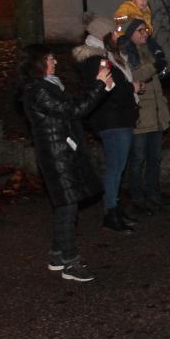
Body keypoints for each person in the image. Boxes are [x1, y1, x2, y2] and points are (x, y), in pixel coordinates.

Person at [19, 44, 113, 282]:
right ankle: (71, 262)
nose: (55, 62)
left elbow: (76, 105)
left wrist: (100, 88)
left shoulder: (49, 86)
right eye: (50, 58)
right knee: (68, 205)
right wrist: (99, 85)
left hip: (62, 151)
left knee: (65, 205)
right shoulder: (37, 90)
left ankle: (57, 255)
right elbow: (73, 109)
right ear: (38, 63)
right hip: (56, 154)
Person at [72, 14, 139, 233]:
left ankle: (115, 207)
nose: (117, 35)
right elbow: (110, 89)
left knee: (118, 168)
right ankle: (110, 212)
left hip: (118, 118)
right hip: (113, 120)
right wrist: (132, 89)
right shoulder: (97, 60)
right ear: (104, 35)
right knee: (115, 168)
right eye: (114, 32)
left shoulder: (104, 56)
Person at [119, 19, 170, 215]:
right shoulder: (126, 53)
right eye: (140, 31)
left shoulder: (151, 49)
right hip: (141, 116)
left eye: (146, 30)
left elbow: (157, 75)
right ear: (131, 33)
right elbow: (134, 76)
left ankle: (153, 195)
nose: (145, 34)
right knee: (138, 159)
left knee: (154, 159)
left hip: (156, 114)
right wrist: (155, 67)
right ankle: (137, 198)